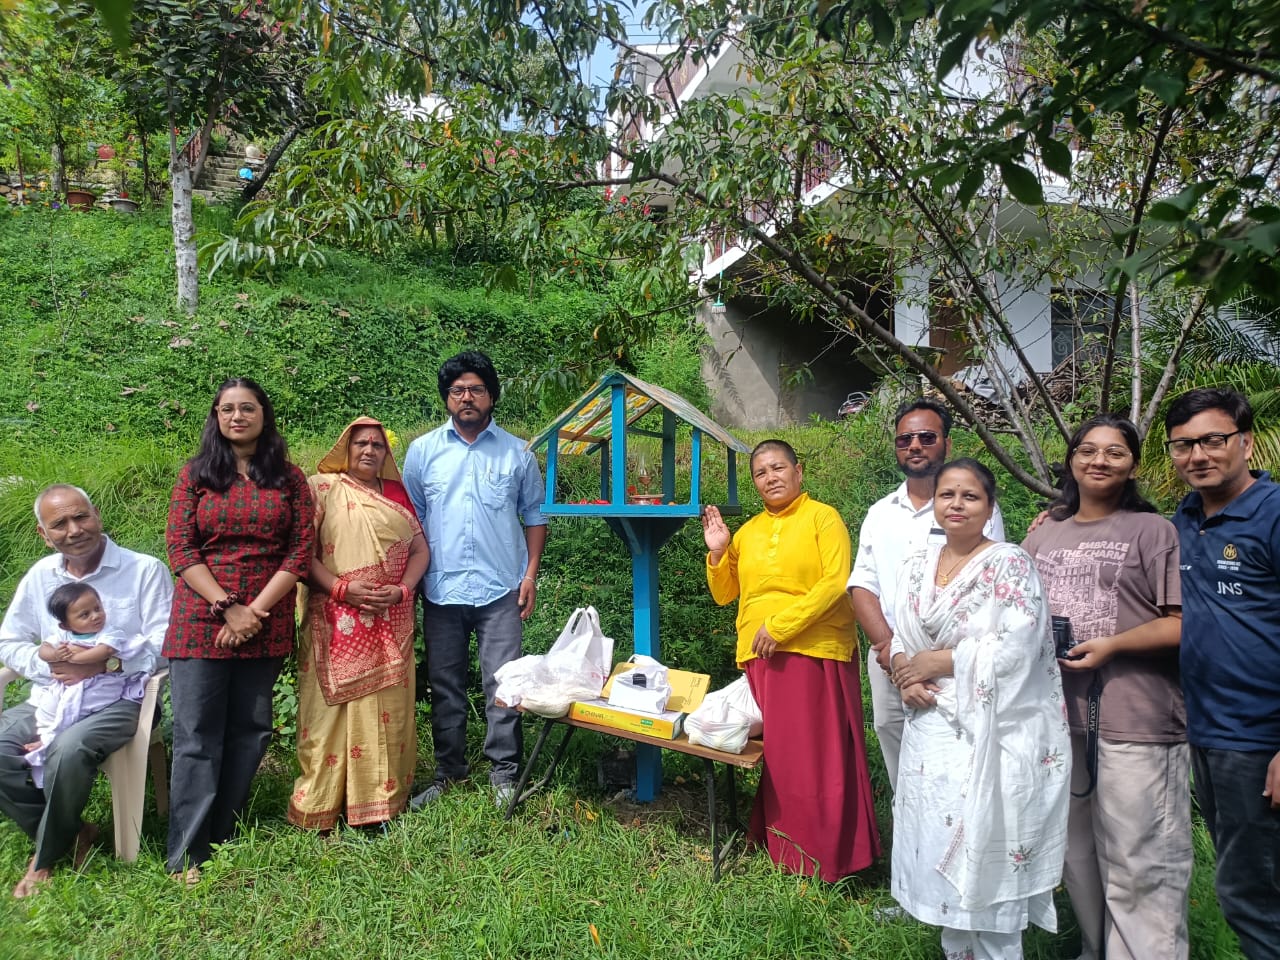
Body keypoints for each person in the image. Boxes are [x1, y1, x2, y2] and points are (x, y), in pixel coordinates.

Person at [1022, 414, 1188, 960]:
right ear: (1070, 459)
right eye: (1087, 450)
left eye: (1114, 452)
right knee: (1076, 850)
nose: (1099, 460)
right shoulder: (1046, 533)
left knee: (1139, 857)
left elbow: (1181, 623)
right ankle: (1096, 947)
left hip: (1134, 717)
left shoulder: (1154, 530)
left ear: (1133, 464)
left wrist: (1112, 645)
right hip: (1057, 718)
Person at [889, 458, 1069, 960]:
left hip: (987, 732)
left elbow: (1019, 647)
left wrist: (939, 661)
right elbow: (901, 634)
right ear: (935, 504)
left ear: (989, 507)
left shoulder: (1009, 563)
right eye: (947, 494)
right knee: (939, 849)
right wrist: (907, 672)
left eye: (970, 496)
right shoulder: (917, 563)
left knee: (985, 856)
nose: (957, 504)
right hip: (930, 731)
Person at [702, 439, 880, 881]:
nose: (770, 478)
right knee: (783, 756)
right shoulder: (748, 532)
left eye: (778, 468)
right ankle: (787, 849)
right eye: (761, 473)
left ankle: (830, 857)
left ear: (798, 471)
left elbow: (836, 582)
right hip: (761, 655)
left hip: (811, 650)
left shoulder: (823, 517)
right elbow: (725, 594)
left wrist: (781, 627)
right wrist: (720, 551)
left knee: (818, 755)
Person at [163, 377, 314, 882]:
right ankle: (187, 852)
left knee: (251, 730)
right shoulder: (196, 475)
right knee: (197, 734)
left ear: (263, 415)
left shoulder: (290, 480)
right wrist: (228, 607)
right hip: (200, 619)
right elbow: (182, 549)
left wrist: (253, 612)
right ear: (216, 417)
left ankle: (222, 834)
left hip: (265, 618)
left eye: (247, 408)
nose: (237, 417)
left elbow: (299, 552)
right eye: (227, 409)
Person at [0, 484, 172, 898]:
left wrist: (106, 662)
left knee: (71, 747)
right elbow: (9, 641)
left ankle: (44, 858)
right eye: (60, 523)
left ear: (97, 514)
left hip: (118, 697)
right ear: (45, 535)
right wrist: (47, 661)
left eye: (81, 516)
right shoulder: (41, 576)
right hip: (51, 698)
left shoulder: (143, 570)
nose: (74, 529)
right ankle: (75, 830)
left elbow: (167, 644)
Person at [402, 351, 548, 807]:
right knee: (444, 684)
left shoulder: (518, 452)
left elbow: (534, 515)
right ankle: (450, 772)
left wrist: (530, 575)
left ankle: (504, 774)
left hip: (501, 588)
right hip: (441, 590)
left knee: (503, 683)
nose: (466, 398)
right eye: (457, 391)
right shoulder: (422, 452)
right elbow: (412, 520)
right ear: (447, 399)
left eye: (476, 389)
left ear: (491, 396)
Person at [1165, 387, 1279, 960]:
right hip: (1208, 733)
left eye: (1214, 440)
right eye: (1183, 445)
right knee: (1247, 884)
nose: (1199, 455)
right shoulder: (1181, 521)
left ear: (1246, 441)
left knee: (1255, 892)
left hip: (1262, 737)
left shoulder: (1274, 514)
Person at [848, 398, 1005, 794]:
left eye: (926, 437)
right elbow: (862, 585)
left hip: (954, 661)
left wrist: (933, 662)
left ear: (947, 444)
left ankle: (953, 848)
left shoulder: (974, 507)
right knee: (895, 742)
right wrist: (889, 651)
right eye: (905, 439)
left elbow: (989, 584)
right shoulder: (880, 513)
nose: (915, 445)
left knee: (955, 754)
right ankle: (909, 843)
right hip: (888, 660)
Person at [288, 417, 430, 831]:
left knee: (385, 713)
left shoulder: (396, 497)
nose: (369, 450)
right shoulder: (323, 488)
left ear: (387, 453)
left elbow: (421, 550)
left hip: (390, 620)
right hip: (334, 621)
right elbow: (301, 555)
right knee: (326, 716)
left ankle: (377, 807)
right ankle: (320, 807)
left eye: (377, 445)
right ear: (345, 451)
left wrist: (403, 591)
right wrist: (340, 590)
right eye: (360, 444)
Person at [24, 584, 148, 791]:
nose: (95, 616)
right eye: (84, 615)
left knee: (78, 709)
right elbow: (43, 649)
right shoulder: (62, 636)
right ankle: (47, 736)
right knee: (48, 708)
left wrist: (76, 658)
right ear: (65, 625)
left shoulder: (110, 632)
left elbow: (104, 651)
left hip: (101, 686)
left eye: (97, 608)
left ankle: (51, 741)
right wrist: (54, 655)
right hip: (67, 687)